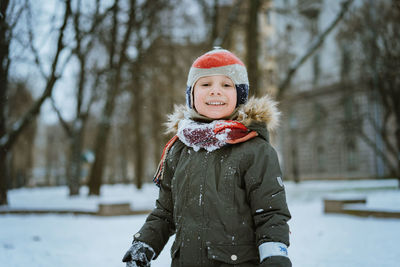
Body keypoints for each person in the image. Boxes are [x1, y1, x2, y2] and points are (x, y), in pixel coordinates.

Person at [122, 48, 292, 267]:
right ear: (191, 94)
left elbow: (270, 214)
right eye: (205, 84)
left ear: (239, 94)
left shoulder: (255, 150)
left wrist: (274, 257)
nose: (215, 91)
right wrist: (144, 244)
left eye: (226, 85)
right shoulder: (178, 149)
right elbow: (165, 212)